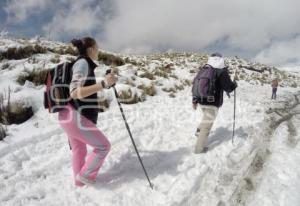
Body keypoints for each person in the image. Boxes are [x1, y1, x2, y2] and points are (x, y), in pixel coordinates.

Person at [59, 37, 117, 187]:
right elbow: (75, 92)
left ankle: (80, 185)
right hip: (75, 116)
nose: (98, 51)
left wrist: (104, 82)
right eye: (97, 48)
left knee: (79, 151)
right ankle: (86, 175)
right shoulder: (82, 63)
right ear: (91, 49)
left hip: (67, 115)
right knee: (103, 146)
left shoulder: (82, 63)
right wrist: (103, 83)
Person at [192, 53, 237, 154]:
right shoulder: (221, 71)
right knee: (207, 127)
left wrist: (194, 100)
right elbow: (228, 88)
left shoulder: (204, 69)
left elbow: (195, 84)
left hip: (201, 100)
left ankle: (199, 131)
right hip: (212, 102)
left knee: (205, 118)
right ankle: (198, 150)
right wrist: (234, 84)